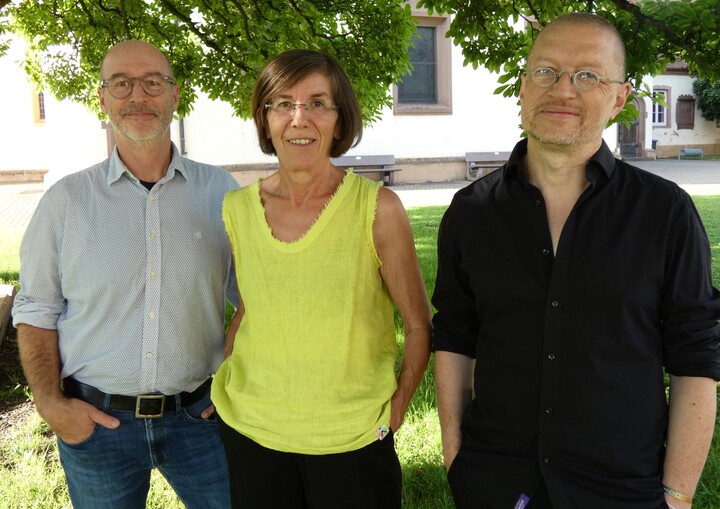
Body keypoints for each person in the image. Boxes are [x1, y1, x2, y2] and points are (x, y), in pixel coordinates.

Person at [432, 12, 720, 509]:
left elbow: (697, 356)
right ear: (523, 87)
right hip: (497, 482)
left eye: (588, 75)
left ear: (619, 98)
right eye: (546, 71)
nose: (563, 90)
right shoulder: (471, 212)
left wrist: (676, 495)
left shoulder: (664, 212)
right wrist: (455, 451)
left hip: (621, 489)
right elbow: (456, 335)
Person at [12, 40, 238, 508]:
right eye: (122, 83)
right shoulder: (65, 202)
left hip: (202, 418)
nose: (138, 95)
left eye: (153, 82)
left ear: (175, 97)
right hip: (96, 426)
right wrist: (51, 405)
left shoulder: (220, 191)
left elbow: (257, 297)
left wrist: (235, 379)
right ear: (102, 98)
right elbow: (36, 309)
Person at [211, 48, 432, 508]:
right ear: (265, 118)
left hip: (350, 439)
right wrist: (225, 372)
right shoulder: (236, 209)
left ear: (339, 118)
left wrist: (398, 405)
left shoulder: (376, 208)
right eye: (282, 104)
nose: (299, 119)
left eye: (317, 103)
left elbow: (418, 324)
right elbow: (251, 306)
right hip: (252, 432)